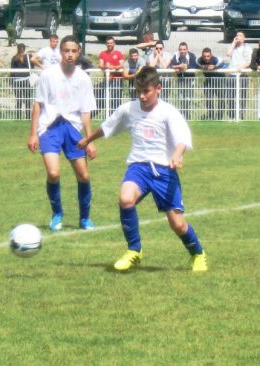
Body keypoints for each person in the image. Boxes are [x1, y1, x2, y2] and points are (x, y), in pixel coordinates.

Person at [77, 66, 207, 273]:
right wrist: (87, 139)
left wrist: (177, 155)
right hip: (139, 167)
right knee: (125, 198)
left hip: (164, 171)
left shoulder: (168, 112)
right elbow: (108, 126)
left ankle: (198, 253)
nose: (142, 96)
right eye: (138, 91)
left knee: (177, 224)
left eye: (146, 91)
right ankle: (134, 250)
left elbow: (182, 138)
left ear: (158, 89)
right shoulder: (129, 109)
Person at [27, 35, 98, 231]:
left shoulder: (83, 78)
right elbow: (38, 104)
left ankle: (85, 219)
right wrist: (33, 134)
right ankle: (57, 214)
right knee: (53, 172)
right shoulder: (48, 74)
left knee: (83, 176)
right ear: (60, 52)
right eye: (66, 51)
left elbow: (86, 112)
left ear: (79, 53)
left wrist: (90, 139)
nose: (70, 54)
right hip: (49, 127)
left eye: (74, 51)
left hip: (72, 128)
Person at [226, 32, 253, 119]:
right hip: (232, 74)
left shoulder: (247, 48)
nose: (238, 37)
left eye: (240, 36)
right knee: (230, 95)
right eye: (237, 35)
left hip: (242, 74)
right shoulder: (233, 47)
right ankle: (231, 115)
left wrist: (242, 67)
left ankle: (241, 115)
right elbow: (228, 54)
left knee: (242, 95)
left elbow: (249, 61)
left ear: (244, 38)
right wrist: (233, 43)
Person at [170, 42, 199, 119]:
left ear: (187, 50)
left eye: (184, 49)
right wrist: (180, 66)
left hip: (190, 79)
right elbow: (171, 65)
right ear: (178, 50)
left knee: (188, 98)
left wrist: (179, 67)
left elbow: (191, 66)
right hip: (181, 80)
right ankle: (184, 114)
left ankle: (187, 113)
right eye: (180, 49)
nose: (182, 51)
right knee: (181, 97)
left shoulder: (192, 56)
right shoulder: (176, 55)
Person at [99, 36, 125, 114]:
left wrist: (112, 67)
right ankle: (106, 116)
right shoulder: (102, 53)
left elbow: (122, 65)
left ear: (114, 43)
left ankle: (116, 116)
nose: (109, 44)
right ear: (106, 44)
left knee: (116, 99)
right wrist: (105, 66)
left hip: (117, 80)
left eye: (111, 43)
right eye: (108, 43)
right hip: (107, 79)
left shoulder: (118, 53)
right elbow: (100, 65)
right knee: (105, 98)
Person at [197, 47, 225, 120]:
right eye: (204, 56)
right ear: (202, 56)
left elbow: (224, 64)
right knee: (208, 98)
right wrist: (202, 67)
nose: (206, 58)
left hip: (219, 80)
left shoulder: (216, 59)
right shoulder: (199, 60)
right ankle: (210, 115)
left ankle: (219, 116)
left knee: (221, 98)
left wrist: (215, 67)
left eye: (208, 56)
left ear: (211, 55)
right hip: (208, 80)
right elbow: (196, 63)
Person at [10, 43, 33, 119]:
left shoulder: (15, 58)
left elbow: (12, 71)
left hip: (18, 80)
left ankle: (19, 117)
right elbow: (31, 67)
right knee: (26, 99)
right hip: (25, 80)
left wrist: (11, 82)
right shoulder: (28, 57)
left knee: (20, 100)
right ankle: (27, 117)